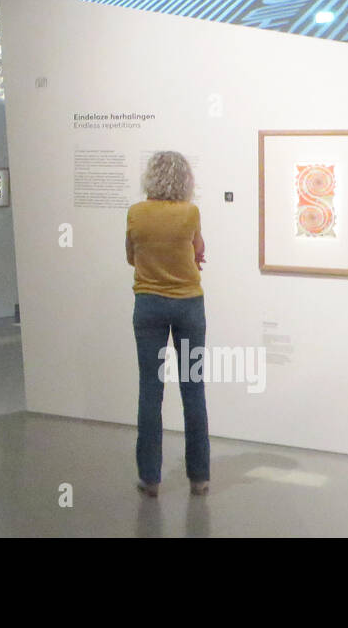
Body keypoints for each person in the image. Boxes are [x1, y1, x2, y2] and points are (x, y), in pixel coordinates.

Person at [125, 151, 208, 497]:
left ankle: (150, 478)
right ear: (185, 179)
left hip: (148, 305)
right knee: (193, 389)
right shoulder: (190, 213)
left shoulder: (136, 213)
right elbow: (198, 251)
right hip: (189, 304)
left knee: (150, 390)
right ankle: (200, 478)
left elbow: (131, 256)